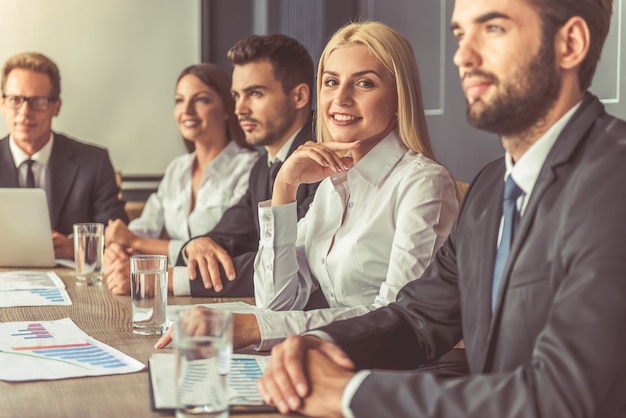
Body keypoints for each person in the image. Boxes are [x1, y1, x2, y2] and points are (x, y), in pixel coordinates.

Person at [256, 0, 626, 416]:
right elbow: (417, 317)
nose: (462, 57)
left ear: (569, 44)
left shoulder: (615, 180)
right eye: (460, 35)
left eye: (493, 29)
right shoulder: (491, 187)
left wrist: (350, 395)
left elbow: (566, 397)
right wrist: (320, 344)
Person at [156, 21, 459, 350]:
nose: (340, 98)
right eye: (331, 82)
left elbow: (395, 319)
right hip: (322, 356)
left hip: (387, 372)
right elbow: (275, 301)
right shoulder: (332, 181)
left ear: (400, 98)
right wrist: (285, 187)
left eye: (364, 84)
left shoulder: (422, 183)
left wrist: (259, 329)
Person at [165, 34, 320, 298]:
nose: (240, 109)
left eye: (255, 93)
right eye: (236, 96)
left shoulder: (322, 161)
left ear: (300, 96)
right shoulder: (261, 168)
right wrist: (201, 243)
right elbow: (230, 233)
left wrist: (173, 279)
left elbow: (292, 261)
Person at [102, 63, 259, 295]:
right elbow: (146, 226)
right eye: (179, 100)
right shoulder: (177, 168)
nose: (187, 110)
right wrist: (119, 246)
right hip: (168, 292)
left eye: (201, 100)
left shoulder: (249, 167)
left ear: (228, 108)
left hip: (219, 293)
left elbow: (229, 245)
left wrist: (135, 242)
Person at [0, 52, 127, 259]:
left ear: (56, 107)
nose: (25, 112)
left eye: (38, 101)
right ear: (2, 103)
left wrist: (79, 248)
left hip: (72, 280)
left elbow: (117, 238)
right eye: (15, 100)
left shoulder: (94, 163)